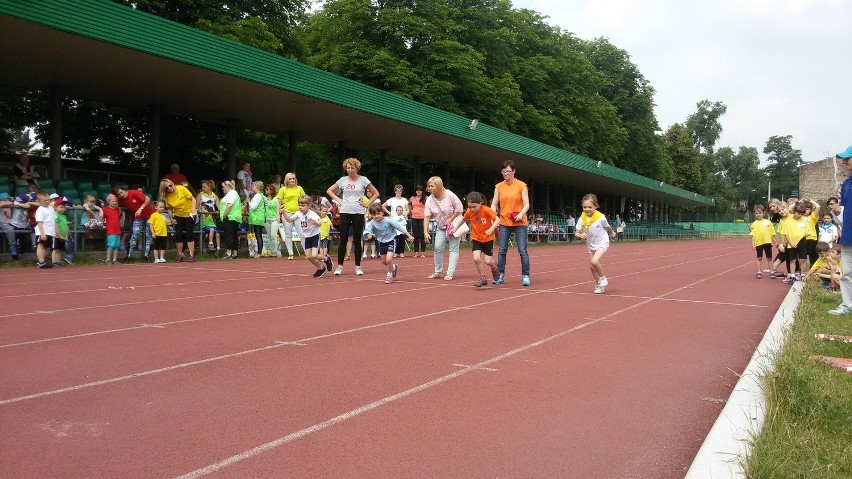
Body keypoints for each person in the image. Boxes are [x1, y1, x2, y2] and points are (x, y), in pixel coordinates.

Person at [326, 157, 380, 276]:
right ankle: (340, 266)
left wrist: (367, 204)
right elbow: (329, 190)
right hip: (345, 211)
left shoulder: (363, 180)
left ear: (357, 168)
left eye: (352, 168)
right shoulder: (342, 180)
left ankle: (358, 266)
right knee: (343, 239)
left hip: (358, 212)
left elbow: (376, 193)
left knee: (357, 239)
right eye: (348, 168)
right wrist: (339, 200)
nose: (350, 170)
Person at [490, 160, 531, 286]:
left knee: (522, 250)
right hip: (504, 222)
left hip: (520, 222)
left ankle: (525, 276)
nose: (505, 174)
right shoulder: (498, 187)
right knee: (502, 250)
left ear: (514, 171)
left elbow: (527, 204)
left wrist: (520, 214)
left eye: (508, 171)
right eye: (503, 171)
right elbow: (494, 204)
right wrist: (493, 215)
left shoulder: (522, 186)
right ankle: (500, 275)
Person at [282, 195, 334, 277]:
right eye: (299, 205)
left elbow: (319, 223)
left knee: (314, 255)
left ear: (309, 205)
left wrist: (316, 223)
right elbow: (289, 220)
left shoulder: (312, 214)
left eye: (303, 206)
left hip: (315, 236)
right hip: (307, 237)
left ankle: (327, 259)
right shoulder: (298, 213)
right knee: (309, 257)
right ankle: (321, 268)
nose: (301, 207)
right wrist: (283, 212)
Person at [423, 176, 463, 280]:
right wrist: (425, 232)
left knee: (453, 248)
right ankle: (438, 271)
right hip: (441, 226)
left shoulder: (450, 195)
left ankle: (450, 273)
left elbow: (459, 208)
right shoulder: (430, 200)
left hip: (453, 225)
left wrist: (450, 219)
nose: (430, 188)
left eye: (432, 186)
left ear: (439, 185)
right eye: (429, 186)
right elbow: (427, 216)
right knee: (437, 248)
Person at [364, 202, 414, 284]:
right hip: (381, 242)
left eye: (378, 213)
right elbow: (367, 230)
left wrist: (409, 235)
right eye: (374, 214)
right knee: (384, 262)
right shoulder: (372, 222)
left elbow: (399, 227)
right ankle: (394, 267)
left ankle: (389, 275)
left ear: (382, 213)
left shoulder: (388, 220)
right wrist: (368, 234)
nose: (376, 216)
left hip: (391, 240)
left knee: (388, 259)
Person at [575, 193, 616, 294]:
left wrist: (611, 234)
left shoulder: (600, 217)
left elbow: (608, 227)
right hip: (591, 244)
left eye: (590, 207)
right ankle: (599, 285)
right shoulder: (582, 218)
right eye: (585, 207)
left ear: (595, 206)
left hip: (602, 242)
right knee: (592, 268)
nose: (587, 209)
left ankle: (603, 278)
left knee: (594, 261)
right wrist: (581, 236)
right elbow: (576, 233)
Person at [830, 145, 852, 314]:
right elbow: (843, 210)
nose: (844, 162)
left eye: (847, 159)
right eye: (843, 159)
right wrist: (837, 217)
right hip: (848, 236)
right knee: (847, 272)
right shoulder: (846, 183)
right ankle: (847, 305)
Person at [463, 192, 500, 287]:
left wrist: (491, 229)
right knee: (476, 258)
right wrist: (455, 228)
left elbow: (497, 220)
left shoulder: (486, 210)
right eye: (470, 207)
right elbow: (463, 219)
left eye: (474, 207)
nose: (472, 209)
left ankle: (494, 267)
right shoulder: (469, 211)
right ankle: (482, 277)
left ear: (480, 203)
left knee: (488, 261)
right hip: (476, 238)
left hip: (488, 239)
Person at [159, 178, 198, 263]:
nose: (169, 188)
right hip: (178, 215)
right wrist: (171, 218)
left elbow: (193, 199)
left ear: (172, 183)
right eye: (166, 188)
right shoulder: (167, 196)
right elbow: (169, 208)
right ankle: (179, 255)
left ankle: (191, 255)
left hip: (189, 214)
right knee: (178, 235)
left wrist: (193, 210)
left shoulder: (181, 188)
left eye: (170, 185)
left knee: (189, 234)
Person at [114, 185, 154, 263]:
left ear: (124, 190)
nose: (121, 195)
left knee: (148, 234)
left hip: (149, 214)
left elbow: (147, 199)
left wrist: (140, 208)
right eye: (118, 194)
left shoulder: (134, 193)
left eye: (121, 192)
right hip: (138, 217)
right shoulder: (120, 200)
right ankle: (128, 256)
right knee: (135, 234)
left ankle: (146, 256)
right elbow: (121, 208)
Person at [275, 172, 307, 260]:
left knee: (301, 233)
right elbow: (278, 203)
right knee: (288, 233)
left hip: (298, 213)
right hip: (287, 213)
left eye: (293, 178)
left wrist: (305, 211)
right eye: (290, 179)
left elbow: (305, 199)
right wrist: (278, 214)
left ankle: (306, 252)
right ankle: (290, 253)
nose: (292, 180)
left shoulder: (299, 188)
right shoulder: (283, 189)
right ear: (286, 180)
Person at [749, 205, 776, 279]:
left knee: (769, 258)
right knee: (759, 257)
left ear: (763, 213)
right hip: (759, 243)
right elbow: (753, 235)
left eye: (760, 213)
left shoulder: (768, 222)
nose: (758, 215)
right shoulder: (753, 224)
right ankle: (758, 272)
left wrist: (775, 242)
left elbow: (772, 233)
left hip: (767, 242)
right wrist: (753, 244)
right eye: (756, 213)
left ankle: (772, 271)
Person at [383, 184, 410, 257]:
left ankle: (401, 252)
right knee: (395, 237)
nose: (399, 192)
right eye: (397, 191)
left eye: (400, 191)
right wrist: (389, 213)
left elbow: (408, 209)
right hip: (394, 220)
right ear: (395, 191)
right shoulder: (391, 200)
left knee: (402, 237)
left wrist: (405, 214)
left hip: (402, 220)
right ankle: (394, 252)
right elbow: (383, 206)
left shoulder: (404, 200)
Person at [219, 180, 242, 260]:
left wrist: (224, 215)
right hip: (235, 217)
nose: (222, 188)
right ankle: (234, 252)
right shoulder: (235, 193)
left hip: (230, 217)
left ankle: (228, 252)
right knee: (234, 235)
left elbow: (229, 205)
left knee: (229, 235)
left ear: (228, 187)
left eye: (223, 187)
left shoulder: (230, 194)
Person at [34, 191, 54, 269]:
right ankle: (42, 262)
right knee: (40, 245)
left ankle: (40, 261)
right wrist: (42, 233)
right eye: (44, 200)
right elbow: (39, 222)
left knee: (48, 247)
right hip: (42, 231)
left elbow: (52, 220)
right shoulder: (40, 209)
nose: (46, 202)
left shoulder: (51, 208)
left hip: (50, 231)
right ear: (39, 201)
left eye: (48, 200)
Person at [247, 181, 266, 259]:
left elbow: (253, 207)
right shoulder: (261, 195)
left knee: (258, 235)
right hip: (259, 217)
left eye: (254, 186)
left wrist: (249, 202)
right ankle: (259, 251)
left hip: (257, 217)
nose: (252, 187)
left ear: (257, 187)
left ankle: (259, 252)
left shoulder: (257, 196)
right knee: (258, 235)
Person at [101, 193, 122, 264]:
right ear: (108, 201)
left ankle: (114, 259)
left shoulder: (117, 210)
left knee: (116, 245)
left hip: (117, 230)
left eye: (116, 201)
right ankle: (108, 259)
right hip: (111, 230)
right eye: (113, 201)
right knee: (111, 245)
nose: (115, 203)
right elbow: (102, 217)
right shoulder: (105, 209)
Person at [50, 197, 70, 267]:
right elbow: (56, 226)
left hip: (63, 235)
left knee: (60, 249)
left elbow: (66, 226)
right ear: (55, 207)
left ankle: (58, 261)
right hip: (56, 236)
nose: (63, 209)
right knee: (55, 249)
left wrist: (66, 236)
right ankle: (54, 261)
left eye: (64, 207)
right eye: (61, 207)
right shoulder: (55, 215)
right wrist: (59, 235)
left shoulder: (64, 216)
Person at [409, 185, 427, 257]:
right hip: (414, 217)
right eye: (417, 190)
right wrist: (411, 211)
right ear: (415, 191)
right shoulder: (412, 198)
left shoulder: (426, 198)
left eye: (420, 190)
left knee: (422, 234)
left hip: (423, 218)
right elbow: (409, 205)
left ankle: (423, 252)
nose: (419, 191)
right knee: (416, 235)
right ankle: (416, 252)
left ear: (422, 191)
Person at [263, 184, 281, 257]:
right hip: (266, 218)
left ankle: (275, 251)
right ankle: (271, 251)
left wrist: (278, 216)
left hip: (274, 219)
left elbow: (277, 209)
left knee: (273, 235)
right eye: (266, 189)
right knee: (269, 236)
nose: (266, 190)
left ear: (271, 190)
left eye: (267, 189)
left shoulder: (276, 199)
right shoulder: (264, 199)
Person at [0, 192, 18, 261]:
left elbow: (9, 216)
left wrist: (5, 206)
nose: (8, 200)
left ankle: (12, 246)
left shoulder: (4, 204)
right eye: (7, 199)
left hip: (3, 224)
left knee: (10, 229)